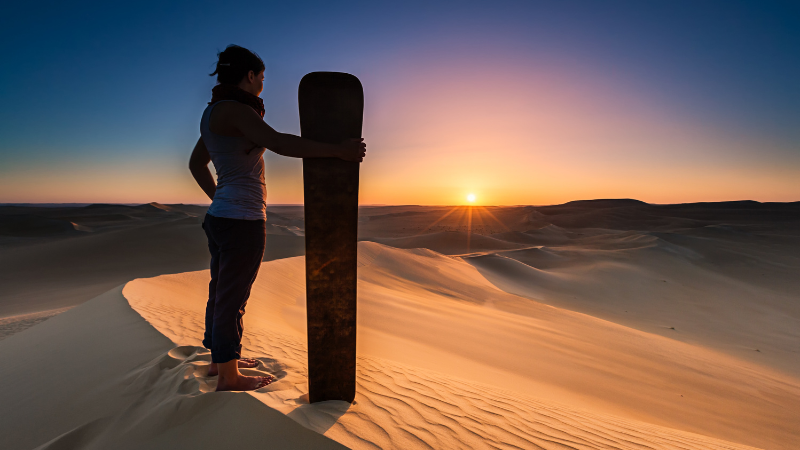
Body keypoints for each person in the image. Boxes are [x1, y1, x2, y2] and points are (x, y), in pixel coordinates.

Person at [189, 45, 366, 392]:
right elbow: (278, 142)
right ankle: (228, 376)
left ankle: (221, 360)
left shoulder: (213, 113)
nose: (262, 84)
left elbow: (197, 164)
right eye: (262, 78)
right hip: (241, 222)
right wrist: (338, 151)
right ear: (251, 75)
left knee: (221, 291)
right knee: (232, 297)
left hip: (224, 216)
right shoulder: (237, 110)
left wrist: (220, 200)